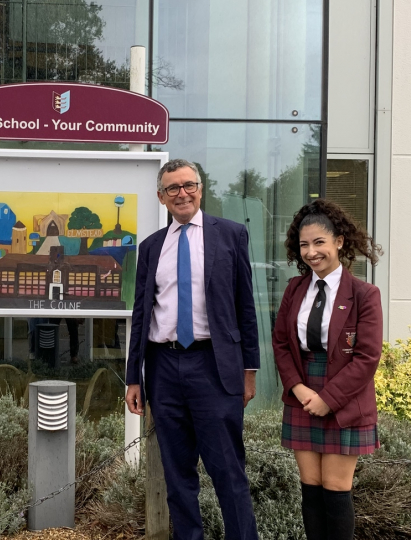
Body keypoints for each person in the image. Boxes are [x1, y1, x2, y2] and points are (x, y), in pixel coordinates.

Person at [125, 158, 260, 540]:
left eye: (189, 185)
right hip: (163, 366)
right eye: (173, 188)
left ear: (200, 189)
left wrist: (248, 370)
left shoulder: (230, 235)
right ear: (161, 196)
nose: (182, 193)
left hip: (213, 366)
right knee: (177, 472)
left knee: (228, 470)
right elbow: (141, 313)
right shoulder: (151, 247)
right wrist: (134, 377)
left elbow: (245, 305)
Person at [272, 199, 383, 540]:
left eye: (319, 242)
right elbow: (281, 345)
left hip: (344, 399)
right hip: (303, 393)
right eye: (304, 244)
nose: (311, 252)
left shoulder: (365, 294)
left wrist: (328, 399)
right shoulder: (294, 289)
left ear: (339, 242)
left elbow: (367, 357)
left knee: (336, 490)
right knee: (311, 489)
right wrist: (299, 389)